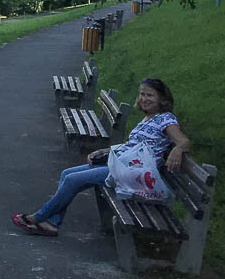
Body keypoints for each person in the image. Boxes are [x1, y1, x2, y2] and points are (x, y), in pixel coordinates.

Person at [12, 78, 191, 237]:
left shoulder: (165, 119)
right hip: (122, 166)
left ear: (162, 99)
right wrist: (104, 152)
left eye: (150, 95)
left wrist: (177, 150)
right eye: (142, 94)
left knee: (73, 180)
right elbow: (131, 146)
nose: (144, 99)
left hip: (134, 174)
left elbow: (183, 141)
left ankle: (38, 217)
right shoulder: (147, 119)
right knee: (67, 173)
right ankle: (52, 224)